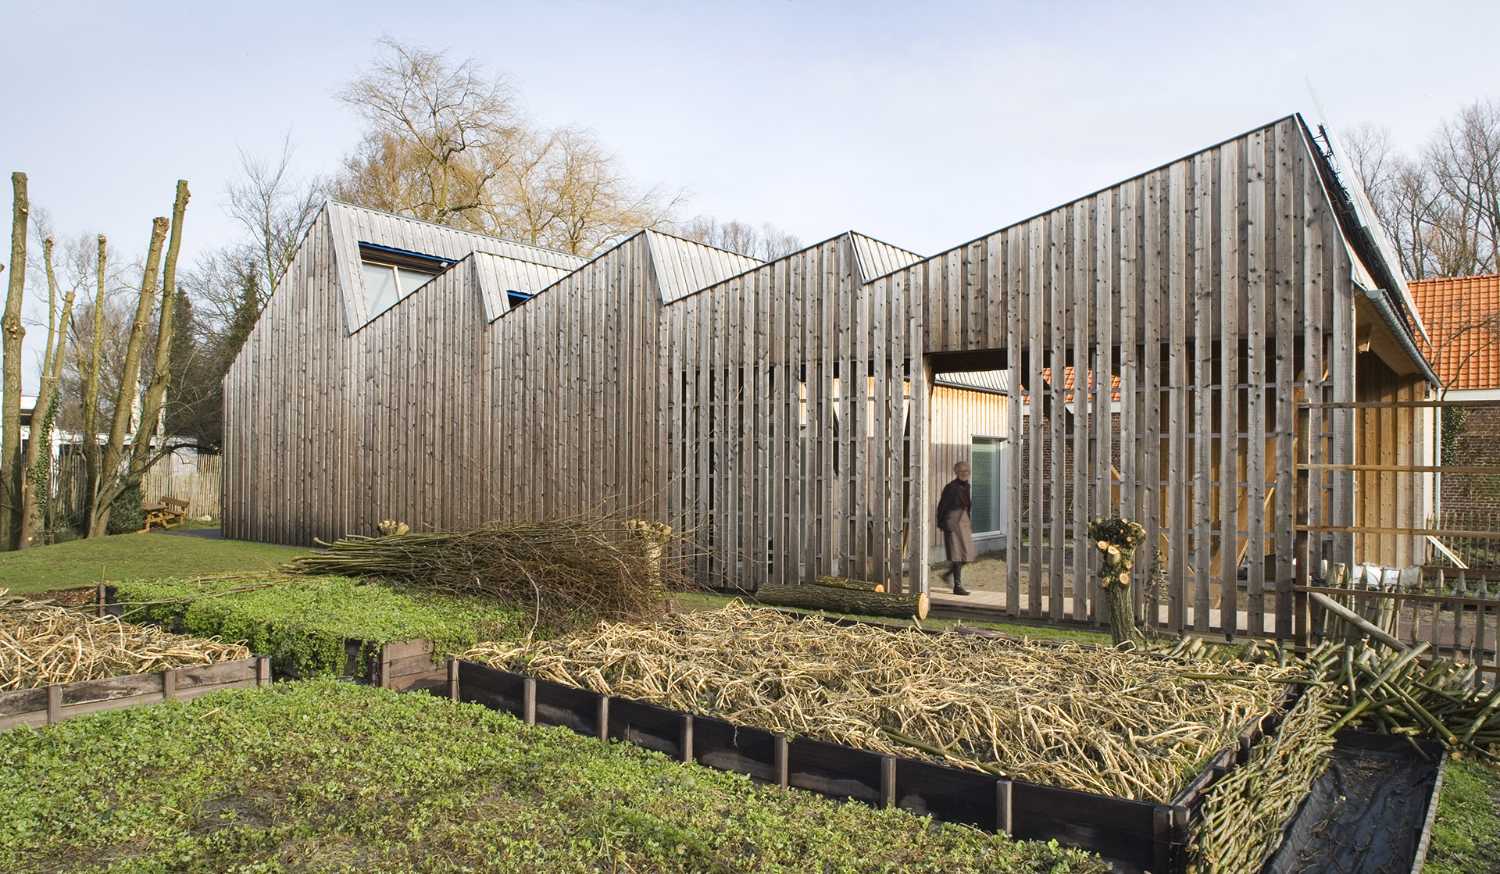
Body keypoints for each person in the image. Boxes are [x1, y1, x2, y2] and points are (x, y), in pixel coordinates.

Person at [936, 461, 976, 596]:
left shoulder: (967, 486)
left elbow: (967, 506)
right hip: (952, 522)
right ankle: (957, 586)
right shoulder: (951, 488)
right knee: (957, 555)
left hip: (963, 521)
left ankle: (947, 575)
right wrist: (942, 523)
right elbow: (942, 506)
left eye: (967, 471)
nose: (965, 473)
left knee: (967, 555)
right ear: (956, 472)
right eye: (962, 471)